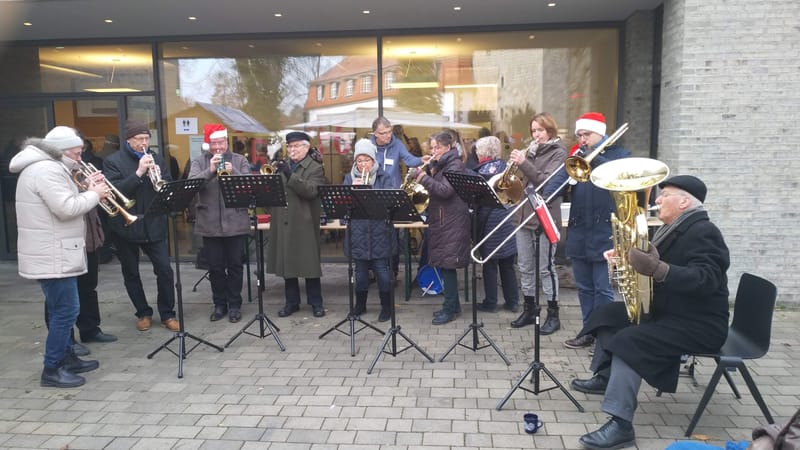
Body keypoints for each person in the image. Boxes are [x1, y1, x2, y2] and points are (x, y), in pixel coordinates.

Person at [570, 175, 730, 450]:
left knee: (631, 340)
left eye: (664, 194)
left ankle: (620, 424)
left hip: (699, 324)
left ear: (684, 201)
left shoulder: (705, 231)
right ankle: (606, 377)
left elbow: (707, 279)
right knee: (608, 314)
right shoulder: (675, 227)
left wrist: (658, 269)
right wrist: (623, 257)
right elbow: (650, 262)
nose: (657, 200)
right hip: (672, 312)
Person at [10, 126, 107, 388]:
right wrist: (94, 195)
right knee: (66, 311)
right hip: (52, 252)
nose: (80, 158)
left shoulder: (51, 167)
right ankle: (52, 368)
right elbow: (66, 208)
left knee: (60, 309)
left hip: (56, 249)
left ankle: (67, 357)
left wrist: (85, 186)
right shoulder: (46, 170)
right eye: (76, 153)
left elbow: (62, 200)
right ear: (61, 151)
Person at [543, 112, 630, 349]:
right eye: (579, 135)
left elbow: (617, 178)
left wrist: (594, 159)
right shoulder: (577, 156)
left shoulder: (620, 155)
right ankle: (587, 331)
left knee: (602, 288)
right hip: (580, 230)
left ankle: (605, 336)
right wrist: (542, 197)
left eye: (586, 134)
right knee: (584, 287)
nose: (582, 139)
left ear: (600, 133)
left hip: (605, 231)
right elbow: (556, 184)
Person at [103, 120, 179, 332]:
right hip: (125, 226)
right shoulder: (113, 161)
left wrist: (159, 178)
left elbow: (168, 184)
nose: (144, 143)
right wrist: (138, 173)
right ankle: (143, 313)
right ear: (129, 140)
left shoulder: (157, 158)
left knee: (164, 270)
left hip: (154, 223)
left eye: (147, 139)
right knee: (131, 272)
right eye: (139, 139)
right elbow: (114, 192)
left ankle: (167, 313)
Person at [509, 112, 567, 333]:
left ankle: (553, 313)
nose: (536, 135)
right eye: (533, 130)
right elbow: (522, 182)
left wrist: (524, 163)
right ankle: (530, 307)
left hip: (545, 214)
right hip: (523, 214)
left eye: (540, 130)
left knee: (545, 268)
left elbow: (546, 182)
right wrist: (514, 168)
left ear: (550, 130)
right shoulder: (531, 151)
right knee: (524, 266)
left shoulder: (559, 152)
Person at [188, 124, 251, 323]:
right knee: (215, 267)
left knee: (235, 266)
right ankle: (219, 304)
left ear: (226, 142)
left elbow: (250, 185)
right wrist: (211, 169)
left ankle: (234, 305)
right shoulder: (199, 162)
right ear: (209, 145)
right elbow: (191, 185)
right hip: (210, 223)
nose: (217, 147)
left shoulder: (239, 160)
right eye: (214, 143)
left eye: (221, 143)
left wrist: (234, 173)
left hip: (236, 222)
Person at [267, 131, 328, 318]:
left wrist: (289, 174)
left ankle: (316, 303)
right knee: (288, 265)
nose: (292, 150)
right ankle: (291, 302)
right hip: (284, 219)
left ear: (306, 147)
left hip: (304, 221)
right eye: (290, 146)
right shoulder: (282, 166)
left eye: (296, 146)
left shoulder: (315, 168)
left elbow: (310, 191)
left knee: (309, 264)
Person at [412, 131, 470, 325]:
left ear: (448, 147)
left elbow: (445, 191)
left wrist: (423, 177)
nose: (434, 151)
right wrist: (430, 170)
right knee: (445, 265)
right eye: (432, 148)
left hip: (451, 222)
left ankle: (449, 309)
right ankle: (453, 306)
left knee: (448, 266)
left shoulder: (455, 165)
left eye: (437, 147)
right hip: (443, 220)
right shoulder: (442, 164)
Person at [371, 117, 431, 278]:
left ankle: (393, 271)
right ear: (375, 133)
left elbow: (408, 159)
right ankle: (375, 270)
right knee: (375, 234)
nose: (388, 136)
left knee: (394, 235)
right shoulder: (368, 146)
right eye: (383, 133)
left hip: (393, 194)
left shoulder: (396, 144)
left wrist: (420, 160)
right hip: (373, 195)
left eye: (389, 132)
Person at [342, 139, 394, 322]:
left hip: (380, 231)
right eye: (360, 160)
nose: (363, 164)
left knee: (382, 271)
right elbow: (343, 206)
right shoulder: (349, 178)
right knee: (361, 272)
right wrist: (352, 191)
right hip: (358, 232)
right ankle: (360, 305)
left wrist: (368, 191)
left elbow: (390, 203)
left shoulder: (384, 177)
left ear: (373, 161)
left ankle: (386, 307)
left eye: (367, 160)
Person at [472, 135, 519, 313]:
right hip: (507, 220)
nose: (476, 153)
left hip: (490, 221)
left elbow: (480, 202)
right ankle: (512, 302)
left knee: (490, 264)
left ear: (484, 152)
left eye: (477, 150)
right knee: (507, 264)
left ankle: (490, 302)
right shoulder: (506, 169)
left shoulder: (480, 172)